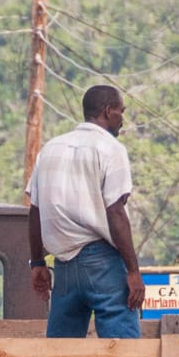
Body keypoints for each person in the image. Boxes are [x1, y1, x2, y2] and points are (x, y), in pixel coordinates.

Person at [25, 84, 144, 339]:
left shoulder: (50, 149)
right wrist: (133, 271)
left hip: (64, 267)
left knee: (62, 355)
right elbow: (115, 212)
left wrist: (37, 263)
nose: (122, 120)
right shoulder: (111, 149)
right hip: (103, 263)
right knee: (124, 354)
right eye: (121, 112)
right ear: (108, 111)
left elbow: (35, 211)